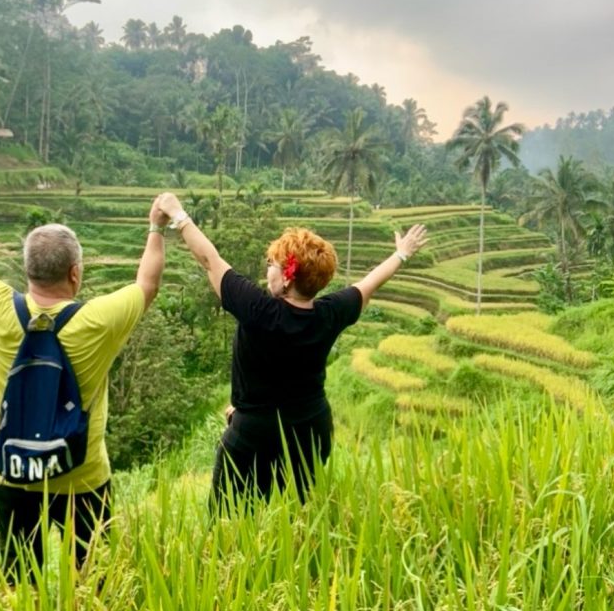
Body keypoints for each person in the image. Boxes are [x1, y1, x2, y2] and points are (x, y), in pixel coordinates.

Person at [0, 157, 168, 576]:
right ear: (75, 273)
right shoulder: (97, 321)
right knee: (92, 580)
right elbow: (147, 284)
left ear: (27, 270)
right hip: (81, 477)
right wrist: (156, 228)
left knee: (18, 582)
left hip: (11, 474)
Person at [156, 192, 427, 507]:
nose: (267, 269)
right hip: (311, 430)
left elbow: (209, 260)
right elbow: (368, 285)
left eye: (272, 264)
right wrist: (402, 254)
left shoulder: (257, 309)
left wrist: (178, 214)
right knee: (293, 513)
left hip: (255, 436)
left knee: (228, 522)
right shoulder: (329, 313)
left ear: (286, 277)